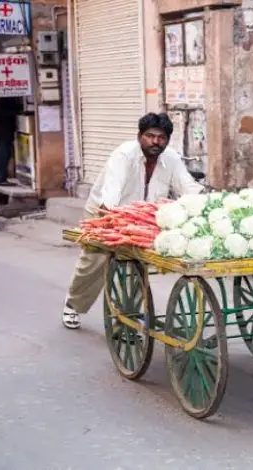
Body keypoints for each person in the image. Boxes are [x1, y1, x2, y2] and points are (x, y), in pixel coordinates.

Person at [62, 112, 203, 329]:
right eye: (150, 136)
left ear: (167, 139)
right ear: (139, 136)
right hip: (105, 212)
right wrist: (111, 220)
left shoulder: (171, 159)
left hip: (143, 219)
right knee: (93, 262)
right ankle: (73, 305)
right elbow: (112, 192)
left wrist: (205, 202)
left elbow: (187, 187)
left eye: (161, 137)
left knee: (135, 265)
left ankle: (127, 317)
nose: (156, 141)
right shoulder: (124, 156)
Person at [0, 97, 23, 185]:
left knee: (4, 152)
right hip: (0, 128)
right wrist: (17, 110)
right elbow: (0, 111)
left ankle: (1, 177)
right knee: (3, 153)